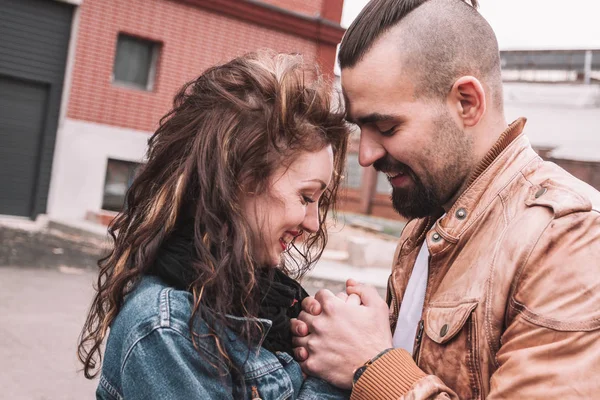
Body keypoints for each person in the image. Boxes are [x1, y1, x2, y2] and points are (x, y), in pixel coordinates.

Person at [291, 0, 600, 398]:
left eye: (386, 126)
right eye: (361, 129)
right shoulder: (428, 218)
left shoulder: (570, 238)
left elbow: (378, 368)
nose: (365, 155)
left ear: (466, 102)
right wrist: (360, 331)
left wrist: (371, 364)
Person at [77, 51, 351, 399]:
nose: (313, 224)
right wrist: (336, 371)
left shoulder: (257, 301)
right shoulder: (168, 330)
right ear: (240, 182)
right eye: (306, 197)